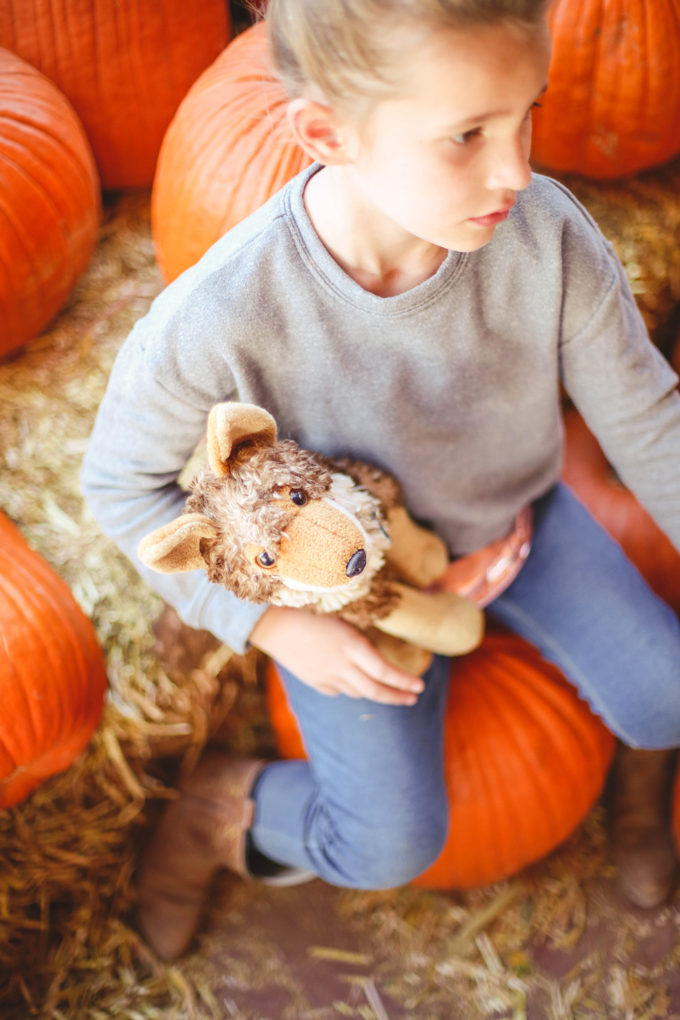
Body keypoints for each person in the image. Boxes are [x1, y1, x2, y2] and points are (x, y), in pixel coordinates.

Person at [81, 0, 680, 960]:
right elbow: (121, 487)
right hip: (353, 593)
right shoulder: (224, 312)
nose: (517, 168)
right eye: (467, 135)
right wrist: (276, 623)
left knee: (666, 693)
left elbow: (648, 417)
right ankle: (215, 815)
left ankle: (642, 797)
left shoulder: (547, 238)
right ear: (328, 134)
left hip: (516, 525)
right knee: (385, 845)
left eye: (527, 111)